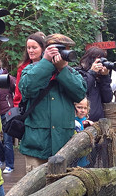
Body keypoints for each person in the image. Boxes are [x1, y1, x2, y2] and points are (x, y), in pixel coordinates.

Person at [19, 34, 86, 172]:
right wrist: (46, 63)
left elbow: (80, 94)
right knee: (35, 190)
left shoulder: (72, 72)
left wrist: (62, 69)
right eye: (57, 49)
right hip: (37, 145)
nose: (62, 53)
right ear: (46, 49)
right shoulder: (31, 70)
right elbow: (27, 89)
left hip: (64, 144)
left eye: (65, 49)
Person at [76, 47, 113, 123]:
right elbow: (83, 90)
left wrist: (105, 76)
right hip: (82, 122)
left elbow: (107, 99)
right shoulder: (78, 73)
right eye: (98, 60)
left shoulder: (99, 77)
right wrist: (92, 73)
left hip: (98, 123)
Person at [13, 32, 46, 109]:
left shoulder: (51, 66)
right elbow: (18, 93)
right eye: (29, 48)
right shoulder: (22, 67)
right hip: (26, 107)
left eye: (34, 48)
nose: (31, 51)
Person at [74, 98, 94, 167]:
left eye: (85, 108)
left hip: (85, 160)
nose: (82, 110)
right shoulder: (71, 122)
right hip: (73, 160)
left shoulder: (87, 122)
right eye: (79, 107)